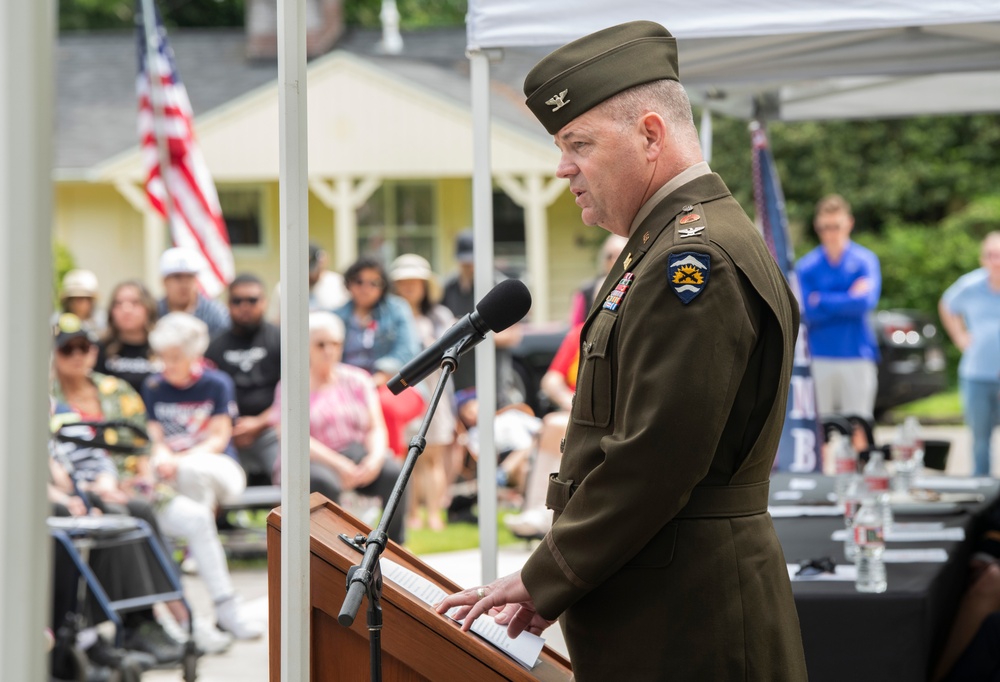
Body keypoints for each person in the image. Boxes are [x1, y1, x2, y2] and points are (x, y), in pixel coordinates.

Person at [436, 21, 807, 679]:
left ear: (651, 135)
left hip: (690, 617)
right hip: (668, 601)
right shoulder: (665, 243)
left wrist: (548, 575)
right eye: (560, 145)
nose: (562, 167)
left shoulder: (693, 260)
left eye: (579, 143)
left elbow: (657, 453)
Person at [141, 312, 263, 641]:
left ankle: (193, 554)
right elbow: (154, 438)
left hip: (217, 467)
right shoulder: (153, 385)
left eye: (176, 357)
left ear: (194, 354)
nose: (169, 364)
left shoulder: (216, 382)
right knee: (184, 508)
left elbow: (218, 438)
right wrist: (163, 458)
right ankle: (211, 605)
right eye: (164, 357)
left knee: (192, 471)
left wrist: (177, 460)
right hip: (173, 472)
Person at [270, 312, 408, 544]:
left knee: (395, 473)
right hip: (311, 461)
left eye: (335, 343)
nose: (329, 350)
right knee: (325, 484)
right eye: (320, 344)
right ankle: (334, 549)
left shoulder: (358, 379)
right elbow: (292, 437)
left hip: (354, 454)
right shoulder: (292, 385)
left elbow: (376, 426)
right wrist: (339, 465)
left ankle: (393, 545)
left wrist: (374, 459)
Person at [795, 194, 882, 422]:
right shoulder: (807, 266)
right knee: (818, 429)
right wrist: (847, 297)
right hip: (818, 355)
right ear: (817, 227)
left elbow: (864, 303)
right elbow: (805, 312)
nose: (831, 234)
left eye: (836, 226)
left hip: (856, 354)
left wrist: (821, 299)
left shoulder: (865, 260)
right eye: (825, 228)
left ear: (849, 224)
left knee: (859, 426)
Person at [389, 253, 457, 531]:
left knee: (433, 456)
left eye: (414, 282)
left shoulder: (439, 316)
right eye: (403, 283)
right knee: (408, 456)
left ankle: (434, 513)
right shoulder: (391, 317)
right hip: (405, 394)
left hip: (435, 391)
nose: (409, 288)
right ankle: (412, 514)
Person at [333, 256, 424, 456]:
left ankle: (387, 469)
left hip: (395, 384)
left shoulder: (397, 309)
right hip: (347, 387)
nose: (366, 287)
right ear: (349, 284)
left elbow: (406, 351)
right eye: (359, 281)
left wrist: (376, 380)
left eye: (374, 282)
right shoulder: (336, 315)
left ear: (383, 287)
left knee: (382, 406)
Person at [205, 274, 282, 486]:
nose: (245, 307)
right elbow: (206, 395)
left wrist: (259, 423)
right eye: (237, 301)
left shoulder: (280, 339)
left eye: (252, 300)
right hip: (226, 433)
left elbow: (295, 393)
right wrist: (227, 428)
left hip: (272, 429)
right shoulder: (214, 346)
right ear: (227, 304)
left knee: (290, 474)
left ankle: (285, 520)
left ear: (264, 302)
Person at [939, 231, 1000, 476]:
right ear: (982, 258)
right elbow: (946, 304)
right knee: (980, 439)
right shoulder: (970, 285)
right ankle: (983, 494)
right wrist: (959, 336)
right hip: (977, 375)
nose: (996, 260)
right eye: (991, 255)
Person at [441, 229, 523, 404]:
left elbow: (513, 335)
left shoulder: (498, 285)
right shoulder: (449, 288)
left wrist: (471, 333)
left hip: (494, 376)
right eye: (464, 262)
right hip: (461, 378)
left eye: (472, 261)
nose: (469, 266)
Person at [96, 280, 161, 394]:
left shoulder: (164, 346)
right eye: (118, 304)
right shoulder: (98, 348)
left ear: (149, 307)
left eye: (135, 302)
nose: (126, 309)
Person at [157, 247, 230, 337]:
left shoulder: (215, 312)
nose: (184, 284)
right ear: (164, 282)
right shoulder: (153, 311)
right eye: (177, 277)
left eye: (189, 277)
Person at [568, 234, 629, 325]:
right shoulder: (587, 290)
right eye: (611, 256)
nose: (616, 260)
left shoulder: (634, 283)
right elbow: (575, 326)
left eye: (621, 254)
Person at [54, 268, 108, 335]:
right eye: (74, 298)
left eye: (84, 298)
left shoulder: (103, 322)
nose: (79, 302)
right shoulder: (56, 321)